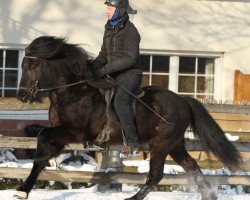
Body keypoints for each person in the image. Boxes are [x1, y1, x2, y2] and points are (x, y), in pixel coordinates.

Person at [92, 0, 142, 159]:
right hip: (113, 72)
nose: (107, 10)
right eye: (107, 7)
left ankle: (133, 143)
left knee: (120, 101)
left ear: (120, 10)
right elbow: (103, 54)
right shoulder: (109, 27)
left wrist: (106, 69)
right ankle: (101, 135)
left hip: (130, 73)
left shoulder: (130, 31)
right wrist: (91, 67)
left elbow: (130, 58)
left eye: (110, 7)